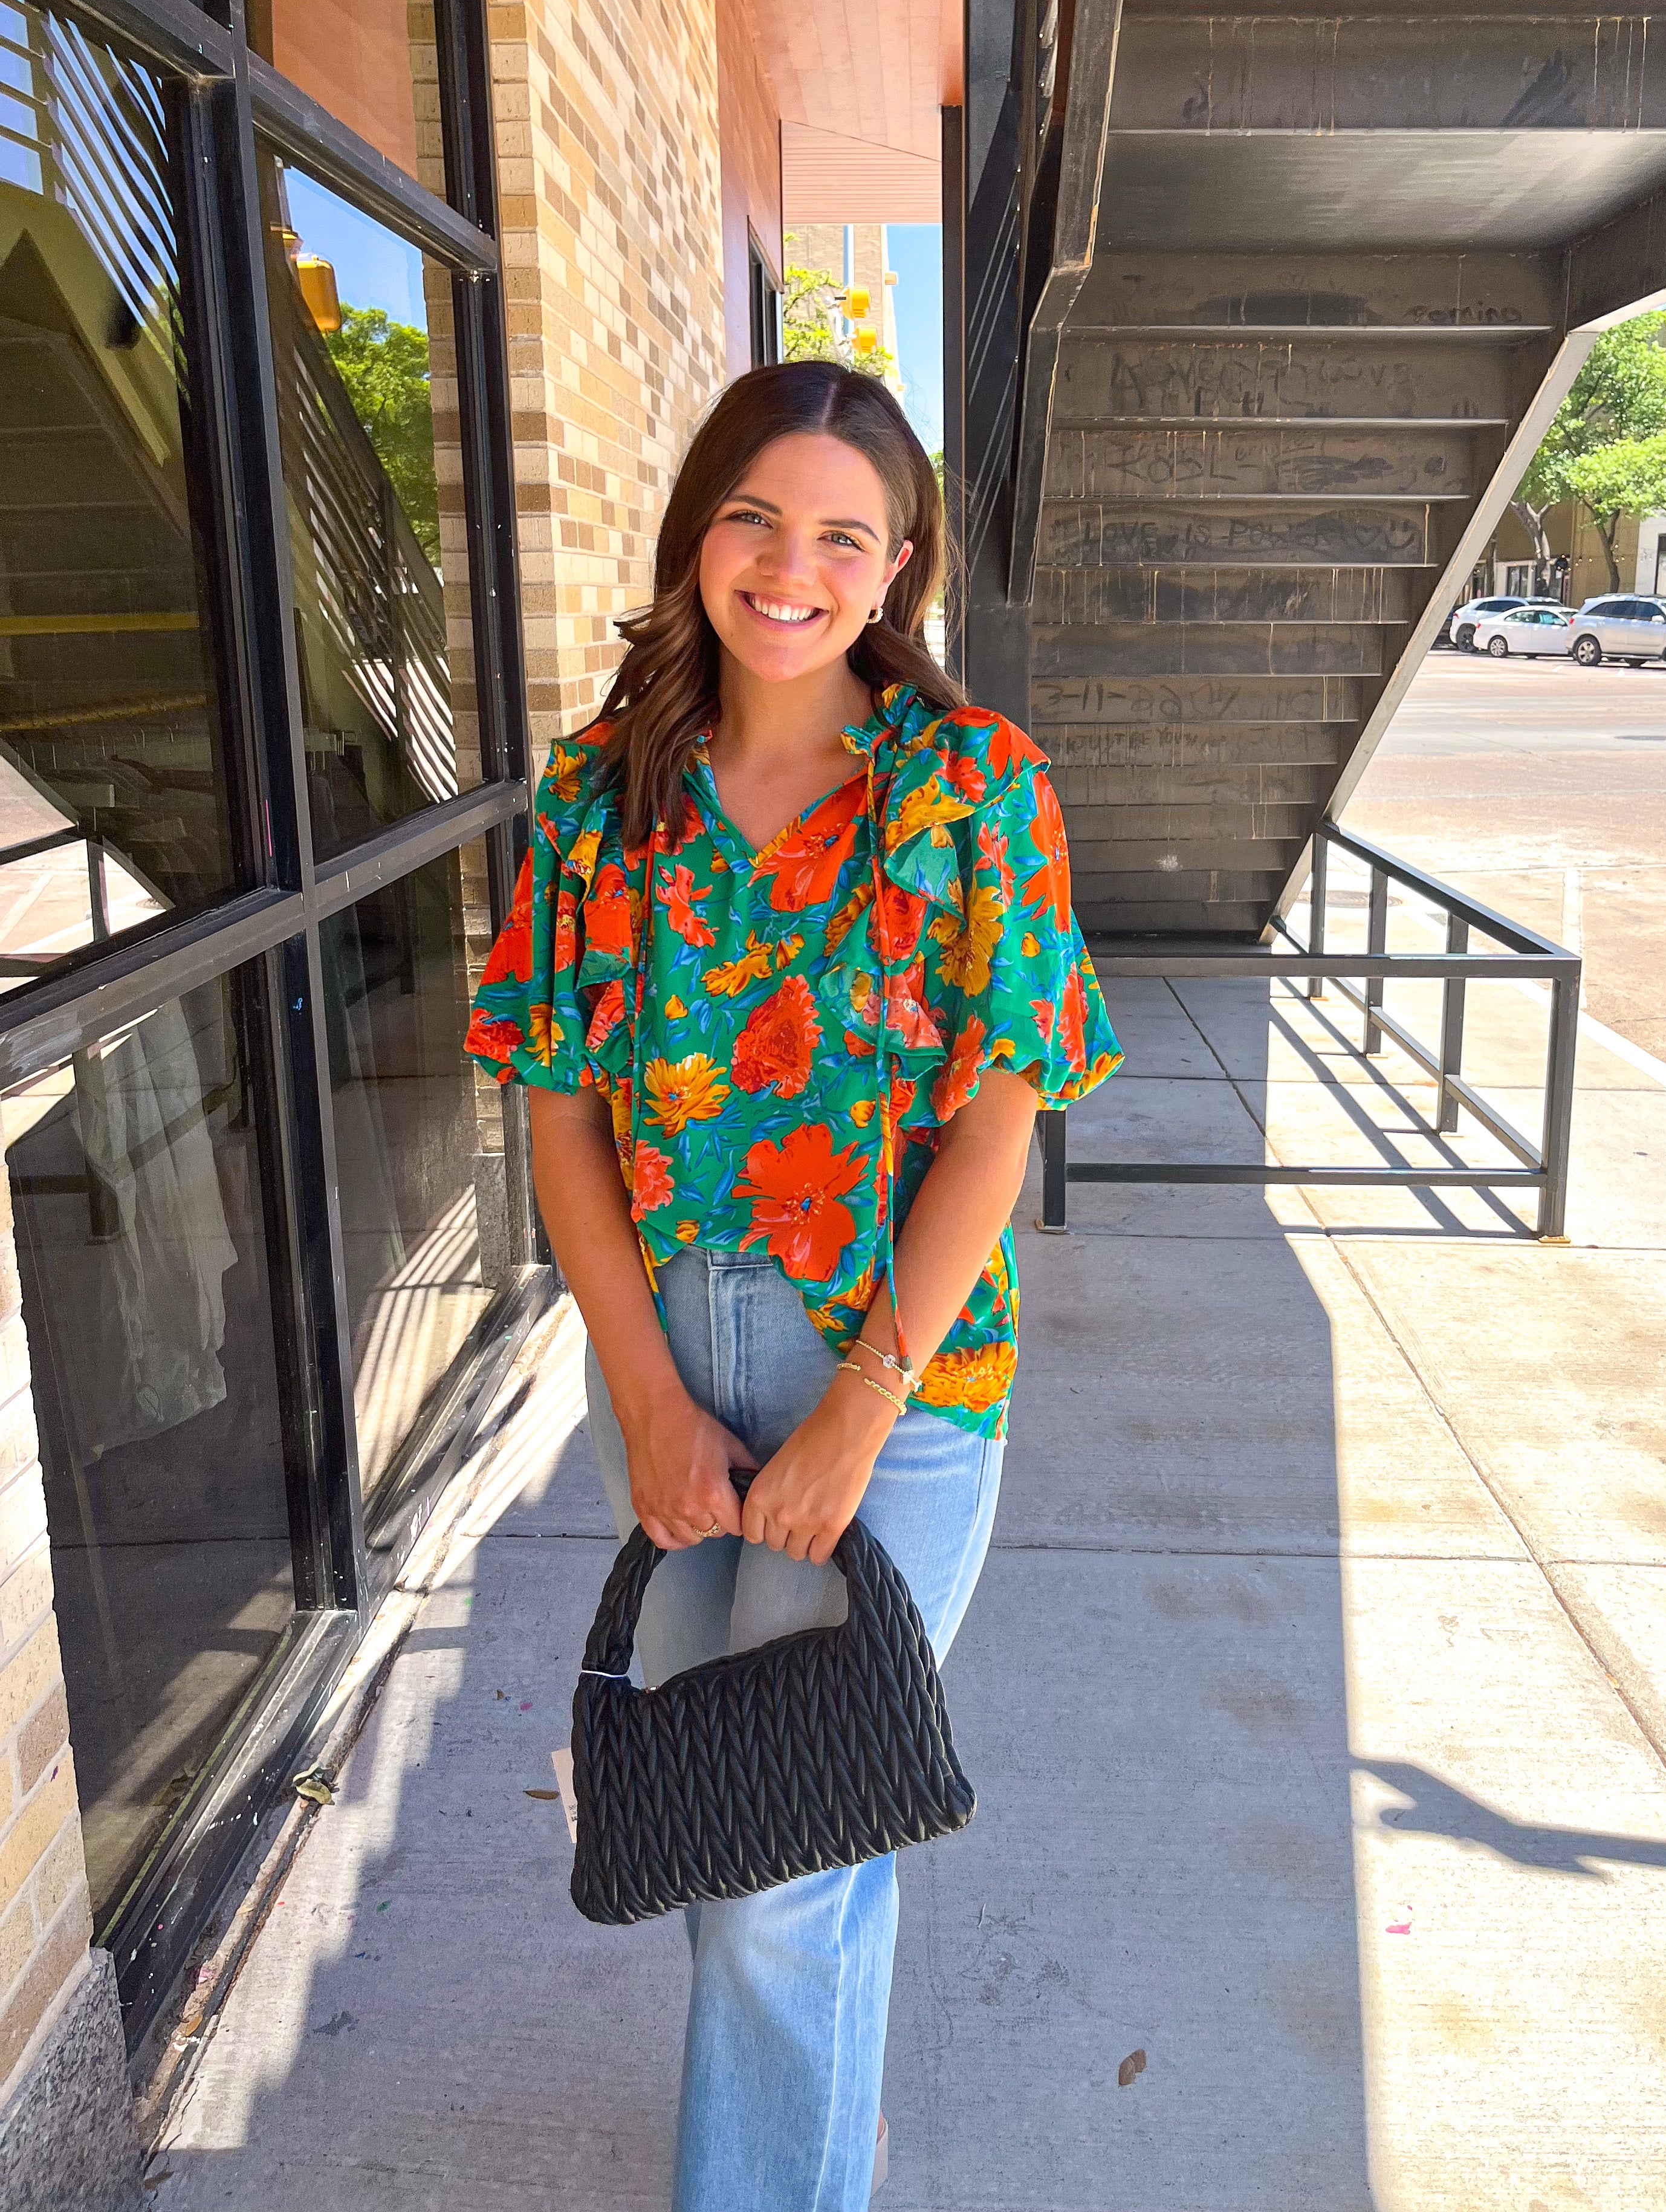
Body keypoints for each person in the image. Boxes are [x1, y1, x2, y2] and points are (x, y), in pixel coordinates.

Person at [465, 360, 1121, 2211]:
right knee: (741, 1815)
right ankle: (819, 2116)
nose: (790, 564)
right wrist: (652, 1394)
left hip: (896, 1374)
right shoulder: (599, 797)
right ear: (697, 531)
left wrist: (862, 1403)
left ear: (896, 567)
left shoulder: (972, 787)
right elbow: (564, 1120)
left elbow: (1000, 1119)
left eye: (843, 533)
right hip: (669, 1349)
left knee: (784, 1849)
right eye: (755, 516)